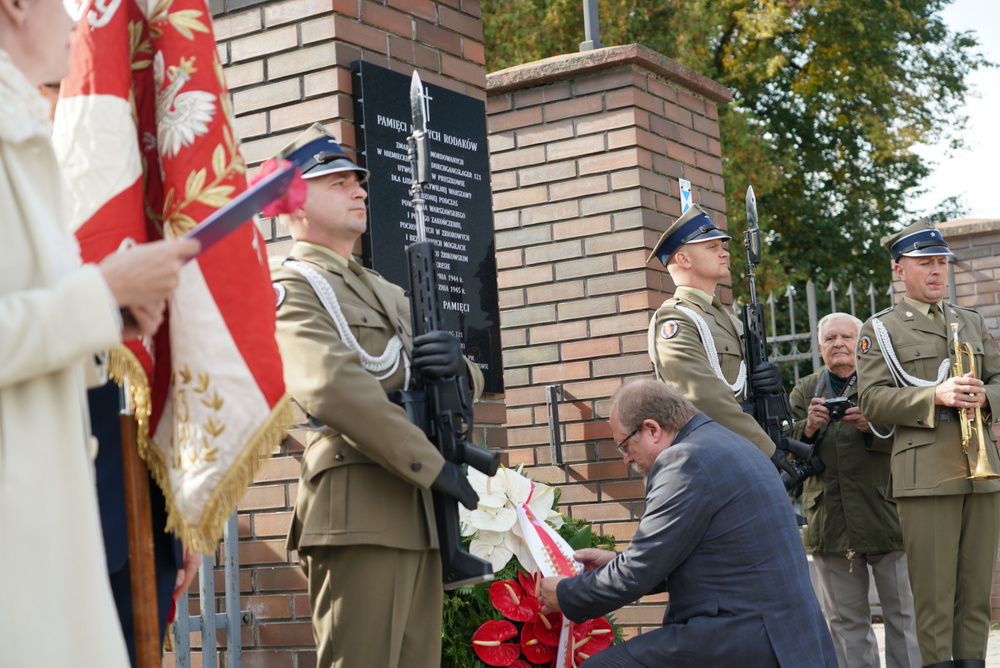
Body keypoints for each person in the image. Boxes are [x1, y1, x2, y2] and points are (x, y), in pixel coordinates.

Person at [0, 1, 199, 664]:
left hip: (56, 525)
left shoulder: (22, 137)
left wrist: (107, 314)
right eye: (62, 4)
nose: (77, 21)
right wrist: (100, 294)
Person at [270, 124, 485, 668]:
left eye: (359, 182)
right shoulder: (291, 287)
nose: (360, 191)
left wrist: (457, 368)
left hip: (420, 513)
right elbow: (330, 386)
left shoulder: (384, 290)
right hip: (359, 507)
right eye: (339, 183)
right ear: (295, 202)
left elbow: (457, 380)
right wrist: (432, 466)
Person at [538, 379, 837, 668]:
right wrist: (614, 561)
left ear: (652, 429)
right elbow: (705, 555)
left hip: (745, 636)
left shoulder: (683, 460)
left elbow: (638, 571)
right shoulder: (732, 443)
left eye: (625, 446)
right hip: (792, 635)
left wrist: (564, 594)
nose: (626, 459)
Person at [856, 220, 1000, 668]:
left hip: (982, 472)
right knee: (935, 598)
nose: (937, 271)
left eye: (942, 262)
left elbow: (998, 379)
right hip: (926, 475)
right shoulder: (882, 328)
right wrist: (934, 396)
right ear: (900, 270)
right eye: (925, 263)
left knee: (976, 596)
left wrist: (987, 396)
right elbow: (871, 400)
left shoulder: (970, 321)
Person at [790, 312, 920, 668]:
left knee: (904, 617)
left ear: (863, 344)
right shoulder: (805, 389)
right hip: (830, 521)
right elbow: (784, 450)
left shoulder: (884, 383)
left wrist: (872, 425)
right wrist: (808, 428)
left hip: (887, 514)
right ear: (819, 347)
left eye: (847, 337)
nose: (839, 344)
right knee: (845, 625)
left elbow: (913, 438)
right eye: (830, 338)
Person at [647, 204, 788, 460]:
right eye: (712, 247)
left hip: (744, 447)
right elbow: (702, 396)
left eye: (722, 247)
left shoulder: (732, 321)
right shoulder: (675, 319)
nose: (724, 253)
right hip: (713, 453)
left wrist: (774, 387)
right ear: (684, 259)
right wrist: (765, 448)